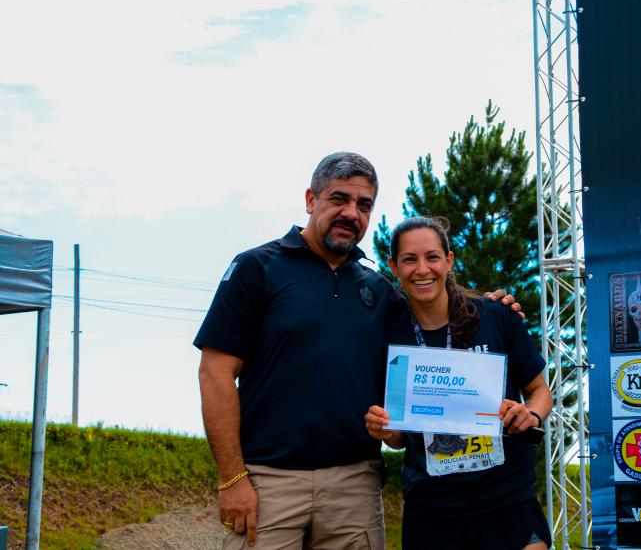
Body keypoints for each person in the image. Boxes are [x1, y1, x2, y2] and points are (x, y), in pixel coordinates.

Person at [195, 153, 519, 549]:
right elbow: (215, 374)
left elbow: (435, 323)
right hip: (269, 482)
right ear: (311, 199)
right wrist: (232, 479)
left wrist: (491, 309)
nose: (352, 213)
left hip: (355, 488)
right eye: (339, 199)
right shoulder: (256, 268)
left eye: (364, 205)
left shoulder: (380, 291)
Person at [364, 216, 553, 550]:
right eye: (409, 259)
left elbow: (539, 391)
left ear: (449, 261)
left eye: (432, 257)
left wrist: (531, 415)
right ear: (394, 267)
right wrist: (384, 429)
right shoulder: (388, 336)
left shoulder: (496, 314)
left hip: (507, 500)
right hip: (433, 510)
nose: (422, 269)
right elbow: (399, 436)